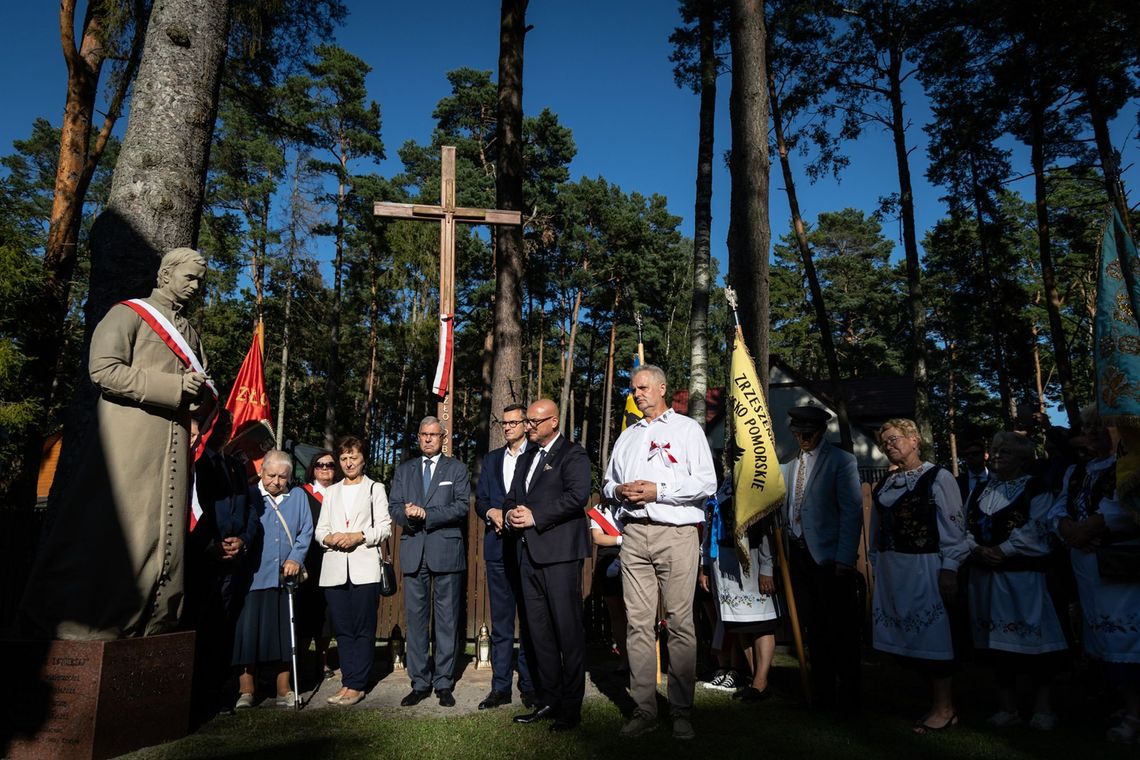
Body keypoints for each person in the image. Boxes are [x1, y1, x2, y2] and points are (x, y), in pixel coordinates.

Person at [19, 247, 211, 640]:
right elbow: (104, 370)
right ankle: (95, 624)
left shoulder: (189, 332)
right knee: (120, 530)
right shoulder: (129, 314)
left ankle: (153, 626)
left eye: (200, 281)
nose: (195, 287)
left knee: (163, 539)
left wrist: (199, 394)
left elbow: (197, 385)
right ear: (165, 275)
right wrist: (174, 387)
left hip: (173, 450)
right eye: (189, 277)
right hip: (129, 445)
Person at [602, 365, 717, 740]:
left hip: (677, 533)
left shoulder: (687, 430)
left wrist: (659, 490)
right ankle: (644, 708)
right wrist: (619, 492)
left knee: (680, 623)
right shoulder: (628, 437)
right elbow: (607, 483)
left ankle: (681, 709)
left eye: (644, 388)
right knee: (638, 624)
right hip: (633, 535)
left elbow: (707, 481)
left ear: (663, 388)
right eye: (633, 389)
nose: (637, 394)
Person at [870, 418, 968, 734]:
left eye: (895, 438)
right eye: (884, 442)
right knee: (905, 638)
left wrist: (949, 568)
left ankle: (945, 707)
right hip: (891, 569)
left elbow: (954, 530)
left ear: (915, 440)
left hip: (925, 567)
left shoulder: (938, 478)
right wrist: (876, 563)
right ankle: (927, 702)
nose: (889, 445)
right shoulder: (884, 484)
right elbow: (875, 531)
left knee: (934, 637)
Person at [1048, 406, 1140, 743]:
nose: (1093, 433)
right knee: (1101, 635)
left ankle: (1134, 714)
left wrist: (1091, 526)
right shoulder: (1077, 470)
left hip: (1121, 563)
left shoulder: (1130, 464)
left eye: (1101, 427)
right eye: (1088, 427)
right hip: (1086, 564)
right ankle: (1124, 703)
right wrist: (1066, 527)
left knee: (1127, 636)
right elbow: (1059, 507)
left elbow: (1127, 506)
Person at [964, 431, 1067, 730]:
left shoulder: (1035, 488)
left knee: (1036, 644)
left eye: (1005, 452)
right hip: (986, 580)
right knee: (996, 647)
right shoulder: (981, 489)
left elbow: (1040, 529)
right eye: (995, 450)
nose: (996, 455)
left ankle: (1043, 707)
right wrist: (976, 549)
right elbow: (965, 524)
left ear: (1022, 458)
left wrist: (1003, 550)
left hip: (1024, 580)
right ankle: (1007, 707)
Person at [506, 398, 592, 732]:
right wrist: (512, 511)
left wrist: (536, 516)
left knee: (567, 633)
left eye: (534, 421)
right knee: (538, 633)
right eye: (526, 420)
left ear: (553, 422)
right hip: (528, 555)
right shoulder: (527, 455)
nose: (527, 426)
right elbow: (515, 495)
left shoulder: (573, 454)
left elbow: (577, 496)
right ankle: (549, 700)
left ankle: (571, 709)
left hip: (559, 556)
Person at [779, 405, 864, 712]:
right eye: (797, 433)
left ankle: (849, 693)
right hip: (799, 557)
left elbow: (852, 510)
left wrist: (844, 557)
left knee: (840, 628)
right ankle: (823, 692)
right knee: (813, 627)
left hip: (830, 559)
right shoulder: (788, 466)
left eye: (807, 433)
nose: (802, 438)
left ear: (820, 431)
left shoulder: (841, 461)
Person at [184, 410, 262, 719]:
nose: (224, 429)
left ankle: (216, 693)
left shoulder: (236, 466)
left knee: (223, 629)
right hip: (201, 562)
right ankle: (191, 696)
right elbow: (188, 511)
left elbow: (252, 511)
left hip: (234, 562)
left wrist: (242, 539)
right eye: (218, 423)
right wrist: (208, 546)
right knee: (197, 627)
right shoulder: (194, 465)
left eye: (228, 425)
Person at [388, 417, 471, 708]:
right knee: (416, 621)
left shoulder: (456, 469)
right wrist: (407, 515)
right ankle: (420, 682)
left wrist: (427, 514)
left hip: (446, 551)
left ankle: (444, 682)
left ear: (443, 437)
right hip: (414, 551)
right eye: (423, 434)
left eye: (433, 435)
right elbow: (393, 505)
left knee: (447, 621)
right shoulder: (405, 469)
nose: (427, 439)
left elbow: (461, 507)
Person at [232, 450, 312, 709]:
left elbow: (306, 531)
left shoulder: (298, 496)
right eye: (271, 475)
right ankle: (246, 690)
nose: (276, 482)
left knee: (284, 635)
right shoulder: (250, 494)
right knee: (248, 635)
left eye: (282, 476)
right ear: (261, 472)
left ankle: (283, 689)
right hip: (253, 575)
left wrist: (296, 558)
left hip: (284, 578)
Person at [316, 436, 392, 707]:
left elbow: (385, 527)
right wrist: (330, 539)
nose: (348, 463)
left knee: (363, 627)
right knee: (343, 629)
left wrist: (358, 536)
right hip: (334, 568)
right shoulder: (331, 492)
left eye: (354, 457)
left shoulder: (375, 489)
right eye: (344, 458)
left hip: (364, 568)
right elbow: (320, 530)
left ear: (363, 460)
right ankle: (347, 682)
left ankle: (358, 685)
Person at [473, 403, 536, 710]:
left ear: (526, 425)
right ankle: (500, 687)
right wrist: (492, 512)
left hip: (529, 549)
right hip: (497, 547)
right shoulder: (493, 459)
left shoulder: (537, 457)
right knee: (500, 622)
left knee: (528, 620)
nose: (508, 427)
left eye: (514, 422)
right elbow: (481, 499)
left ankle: (529, 684)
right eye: (504, 423)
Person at [700, 479, 779, 703]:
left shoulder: (755, 481)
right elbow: (709, 527)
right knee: (740, 623)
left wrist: (767, 567)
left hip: (751, 561)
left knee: (762, 623)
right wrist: (705, 564)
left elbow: (764, 529)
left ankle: (761, 681)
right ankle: (755, 680)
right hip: (724, 564)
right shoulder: (722, 486)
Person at [299, 450, 340, 682]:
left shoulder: (340, 493)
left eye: (330, 465)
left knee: (326, 615)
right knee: (306, 613)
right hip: (309, 562)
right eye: (320, 465)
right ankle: (302, 661)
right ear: (313, 469)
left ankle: (322, 661)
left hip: (332, 561)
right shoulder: (301, 494)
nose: (325, 469)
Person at [589, 499, 627, 673]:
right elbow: (598, 538)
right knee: (616, 614)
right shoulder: (599, 510)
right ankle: (625, 659)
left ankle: (641, 660)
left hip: (635, 559)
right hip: (609, 562)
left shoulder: (633, 506)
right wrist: (622, 540)